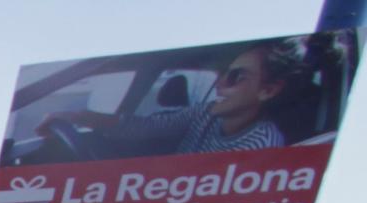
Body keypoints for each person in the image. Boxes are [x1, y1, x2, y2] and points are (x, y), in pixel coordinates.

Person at [51, 40, 305, 156]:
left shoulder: (263, 144)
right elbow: (145, 127)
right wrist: (78, 116)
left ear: (268, 91)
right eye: (222, 74)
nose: (220, 85)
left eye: (236, 78)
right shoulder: (206, 111)